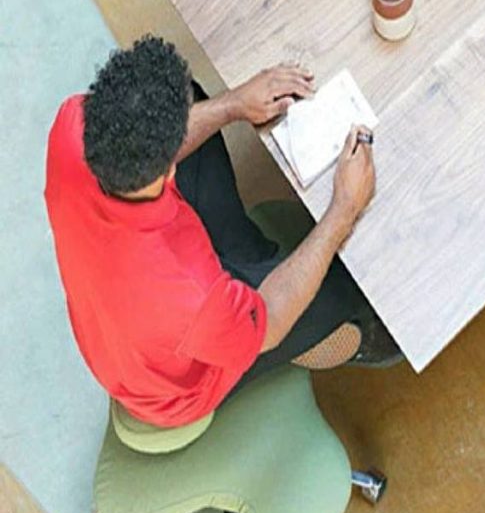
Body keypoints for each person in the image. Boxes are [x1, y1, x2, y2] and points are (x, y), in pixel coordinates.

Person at [45, 36, 402, 429]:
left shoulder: (71, 124)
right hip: (181, 381)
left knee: (194, 96)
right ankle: (361, 339)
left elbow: (162, 137)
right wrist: (343, 209)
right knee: (345, 287)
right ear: (167, 172)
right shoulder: (189, 295)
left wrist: (234, 104)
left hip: (140, 308)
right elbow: (270, 320)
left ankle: (253, 261)